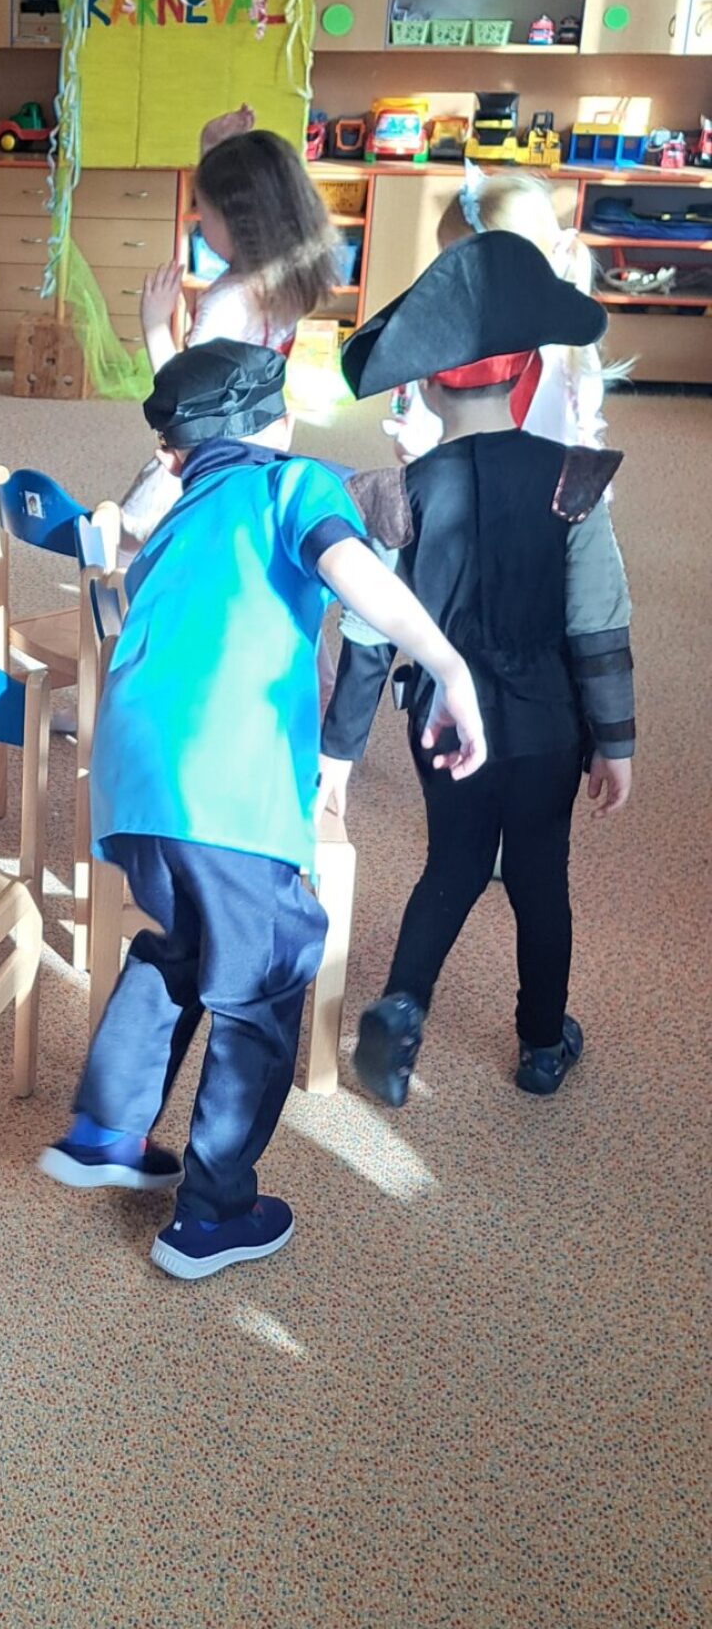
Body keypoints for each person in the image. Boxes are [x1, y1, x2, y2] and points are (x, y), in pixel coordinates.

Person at [41, 339, 485, 1283]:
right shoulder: (294, 483)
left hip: (131, 777)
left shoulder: (176, 514)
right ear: (279, 427)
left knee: (183, 944)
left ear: (177, 455)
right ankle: (212, 1216)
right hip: (224, 782)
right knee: (270, 969)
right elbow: (354, 571)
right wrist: (447, 665)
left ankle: (106, 1130)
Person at [319, 229, 635, 1107]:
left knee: (452, 866)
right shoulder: (575, 483)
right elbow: (599, 626)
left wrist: (338, 755)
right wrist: (616, 744)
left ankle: (402, 1005)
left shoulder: (397, 494)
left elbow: (368, 638)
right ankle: (542, 1045)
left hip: (441, 728)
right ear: (528, 375)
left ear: (424, 385)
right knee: (539, 880)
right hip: (545, 732)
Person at [119, 119, 344, 557]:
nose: (199, 221)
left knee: (132, 546)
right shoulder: (290, 280)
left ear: (240, 221)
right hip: (258, 437)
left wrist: (154, 323)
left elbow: (187, 398)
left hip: (206, 450)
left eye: (205, 212)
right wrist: (212, 149)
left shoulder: (229, 301)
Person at [385, 166, 609, 460]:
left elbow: (581, 430)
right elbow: (417, 436)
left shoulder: (563, 349)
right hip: (478, 475)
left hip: (530, 478)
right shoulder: (452, 337)